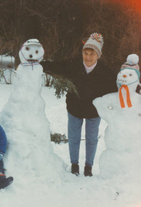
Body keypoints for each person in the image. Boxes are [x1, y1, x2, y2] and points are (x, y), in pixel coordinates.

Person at [42, 33, 118, 176]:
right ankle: (74, 165)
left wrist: (134, 87)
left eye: (92, 54)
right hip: (74, 108)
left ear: (98, 55)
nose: (88, 57)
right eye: (86, 53)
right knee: (74, 137)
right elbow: (56, 67)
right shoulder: (73, 65)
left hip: (93, 112)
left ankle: (88, 167)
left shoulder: (105, 72)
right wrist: (39, 64)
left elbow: (119, 85)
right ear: (82, 52)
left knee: (91, 139)